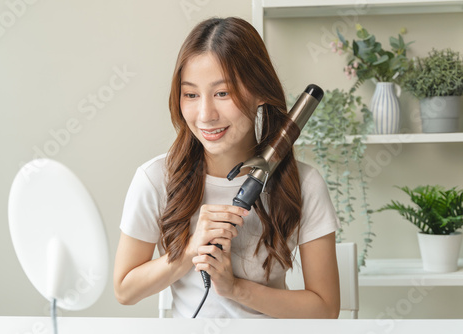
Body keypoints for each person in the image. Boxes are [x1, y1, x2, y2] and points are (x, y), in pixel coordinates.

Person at [114, 16, 340, 319]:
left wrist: (234, 287)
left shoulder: (304, 184)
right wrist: (192, 250)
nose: (205, 115)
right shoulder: (155, 179)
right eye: (191, 95)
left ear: (260, 92)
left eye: (223, 93)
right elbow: (125, 290)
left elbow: (325, 309)